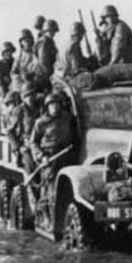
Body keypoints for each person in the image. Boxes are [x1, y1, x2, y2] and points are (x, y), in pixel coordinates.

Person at [29, 92, 75, 227]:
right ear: (47, 107)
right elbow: (33, 143)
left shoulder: (67, 118)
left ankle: (64, 221)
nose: (54, 107)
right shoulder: (40, 123)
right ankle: (49, 221)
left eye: (57, 104)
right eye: (51, 104)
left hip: (66, 156)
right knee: (50, 190)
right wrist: (41, 157)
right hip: (50, 158)